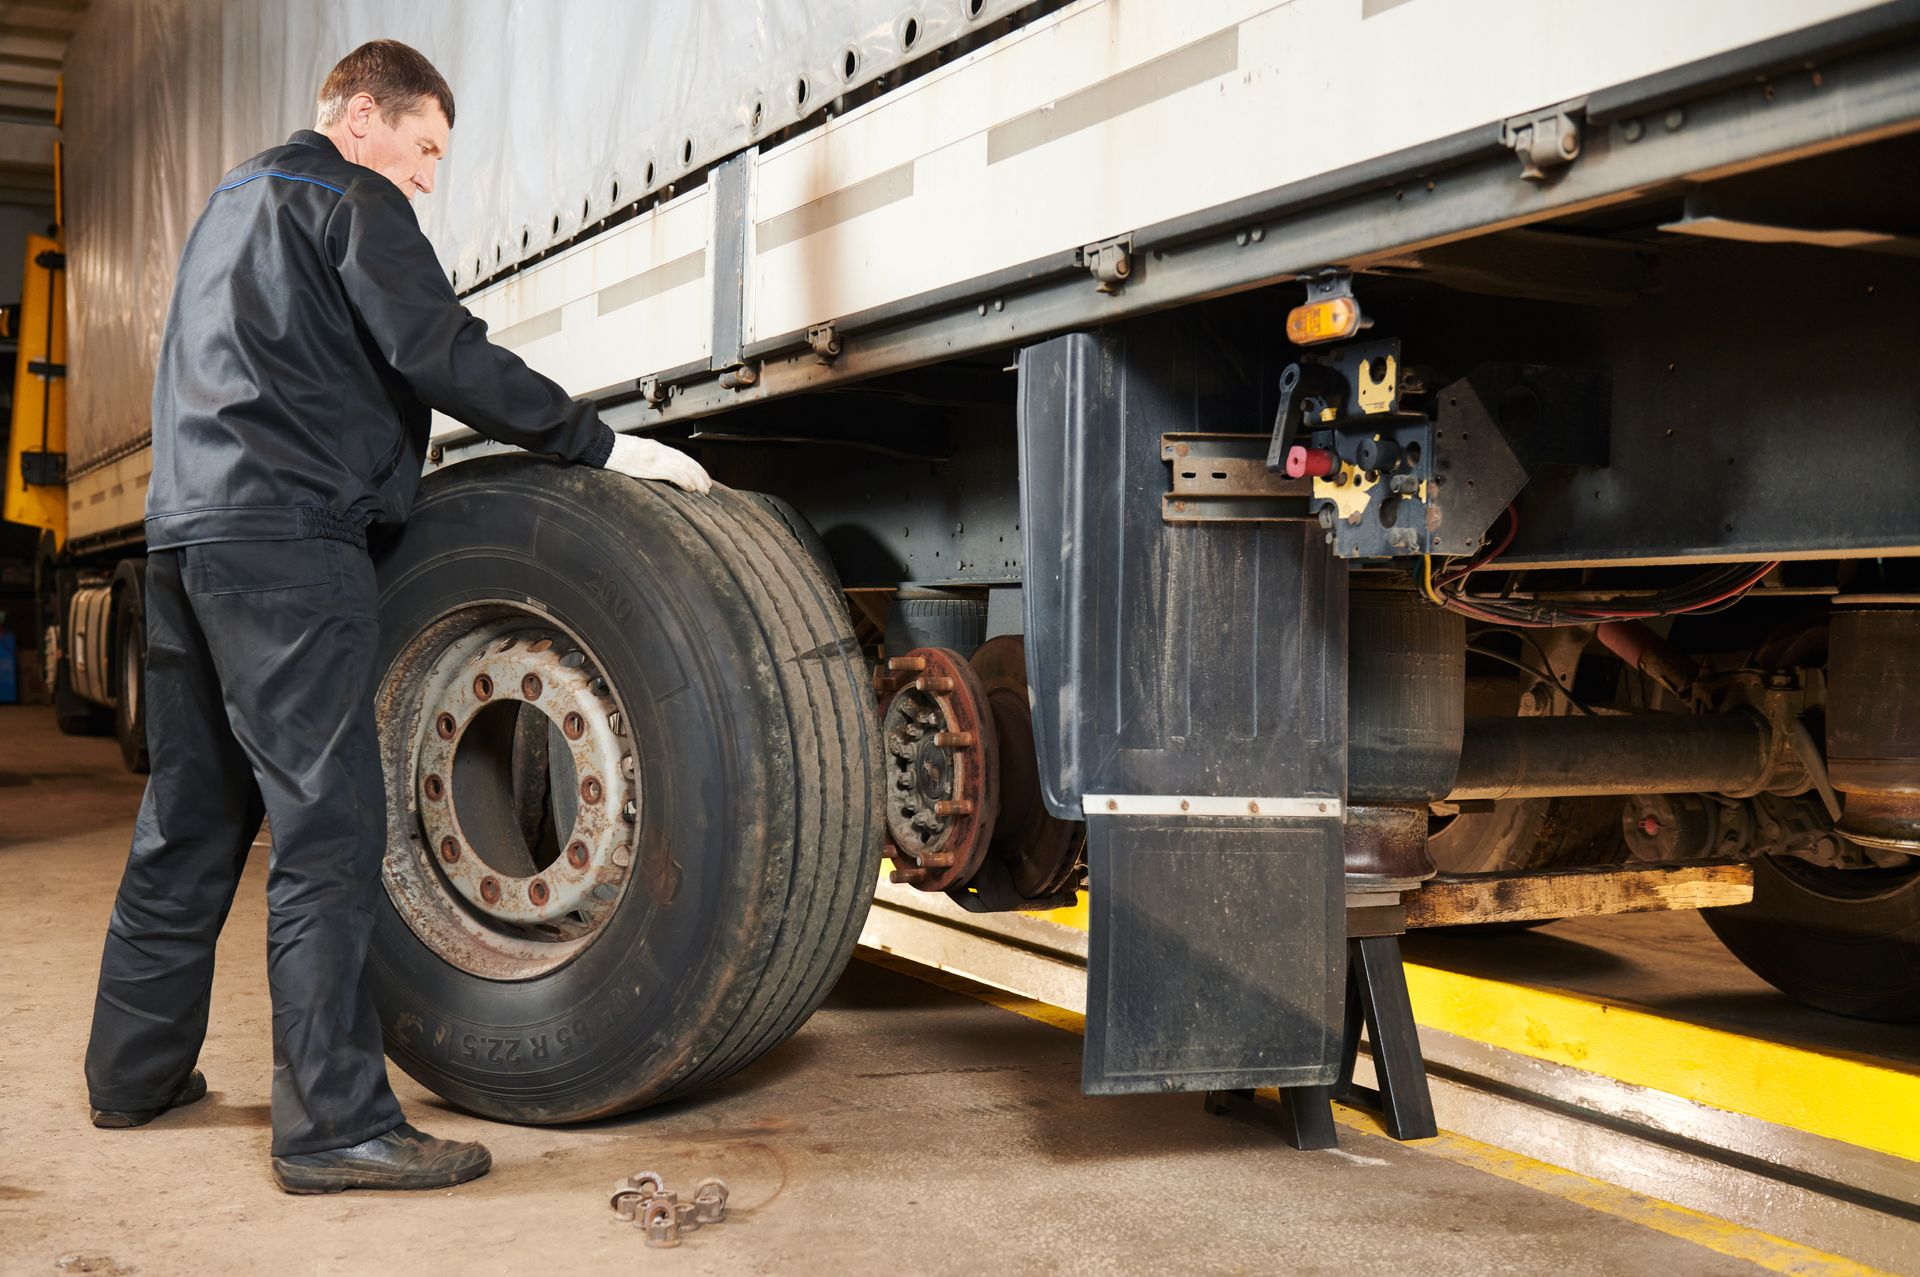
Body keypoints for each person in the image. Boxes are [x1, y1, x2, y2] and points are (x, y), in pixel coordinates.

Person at [82, 39, 708, 1194]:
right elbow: (438, 351)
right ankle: (332, 1126)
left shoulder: (229, 204)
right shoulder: (348, 196)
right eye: (424, 148)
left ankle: (132, 1073)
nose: (426, 177)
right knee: (327, 832)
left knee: (190, 815)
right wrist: (601, 440)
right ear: (360, 115)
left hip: (183, 540)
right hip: (286, 543)